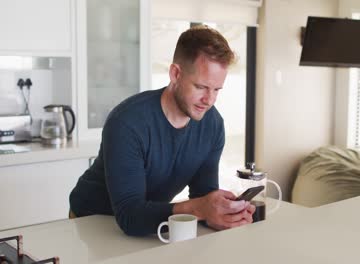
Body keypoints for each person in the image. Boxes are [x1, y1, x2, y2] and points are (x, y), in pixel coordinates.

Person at [69, 25, 255, 236]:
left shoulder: (212, 125)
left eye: (216, 89)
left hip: (146, 223)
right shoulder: (128, 122)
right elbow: (130, 215)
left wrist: (222, 215)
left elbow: (203, 196)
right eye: (201, 87)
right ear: (175, 74)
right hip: (91, 220)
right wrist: (200, 209)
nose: (209, 100)